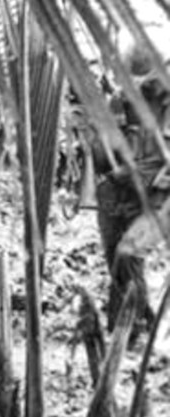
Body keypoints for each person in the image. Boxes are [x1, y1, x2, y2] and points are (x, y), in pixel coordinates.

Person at [93, 44, 170, 331]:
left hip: (160, 201)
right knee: (117, 265)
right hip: (116, 195)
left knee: (128, 254)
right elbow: (101, 158)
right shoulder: (118, 102)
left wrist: (139, 173)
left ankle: (128, 330)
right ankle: (136, 326)